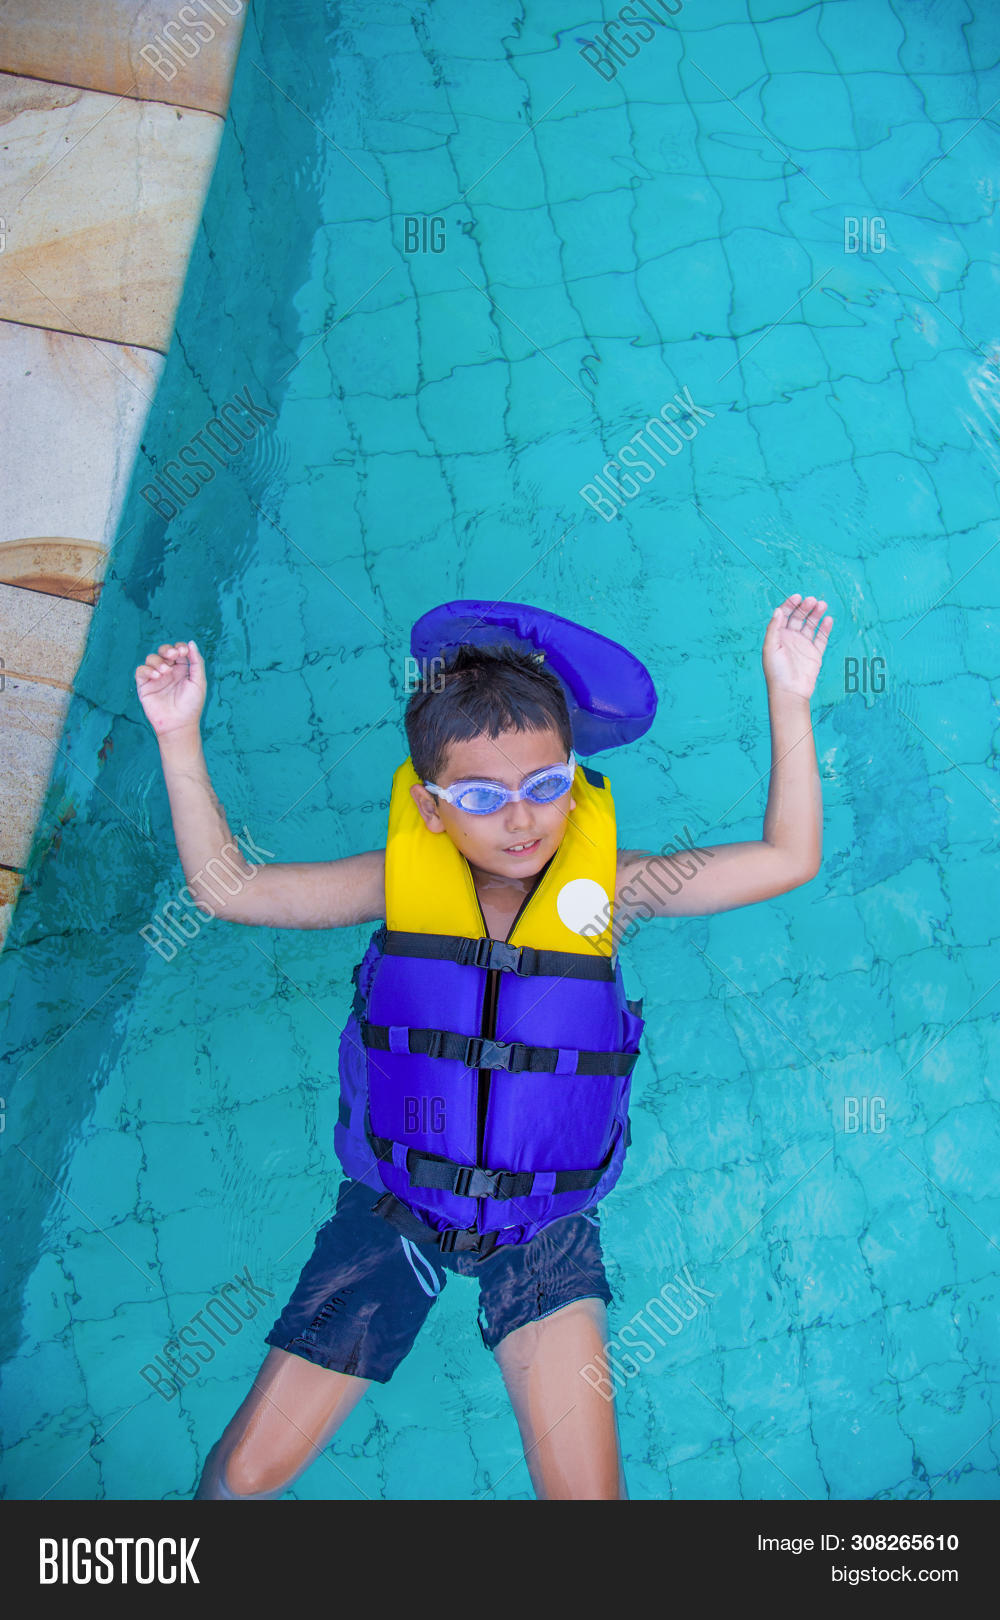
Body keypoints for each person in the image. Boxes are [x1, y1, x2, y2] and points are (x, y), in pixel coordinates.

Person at [134, 592, 833, 1500]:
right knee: (242, 1477)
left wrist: (788, 697)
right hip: (397, 1212)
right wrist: (177, 736)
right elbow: (226, 889)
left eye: (544, 786)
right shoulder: (393, 885)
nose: (520, 820)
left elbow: (788, 858)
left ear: (573, 780)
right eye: (479, 797)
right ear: (430, 808)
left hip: (541, 1230)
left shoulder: (614, 894)